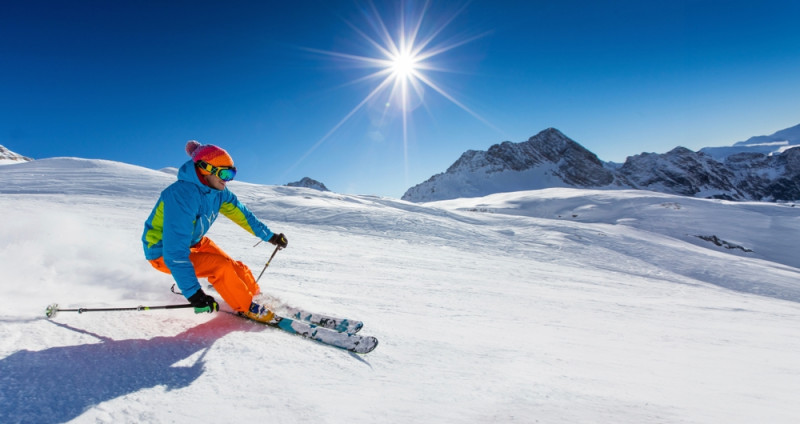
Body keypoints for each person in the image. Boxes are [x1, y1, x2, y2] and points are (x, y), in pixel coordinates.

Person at [142, 140, 288, 322]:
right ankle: (247, 307)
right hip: (162, 251)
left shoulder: (219, 192)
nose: (228, 179)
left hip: (194, 242)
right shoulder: (182, 195)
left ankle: (256, 297)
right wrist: (193, 293)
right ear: (205, 169)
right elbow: (175, 252)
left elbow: (242, 215)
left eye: (232, 173)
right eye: (225, 173)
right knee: (221, 267)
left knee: (235, 266)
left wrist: (270, 236)